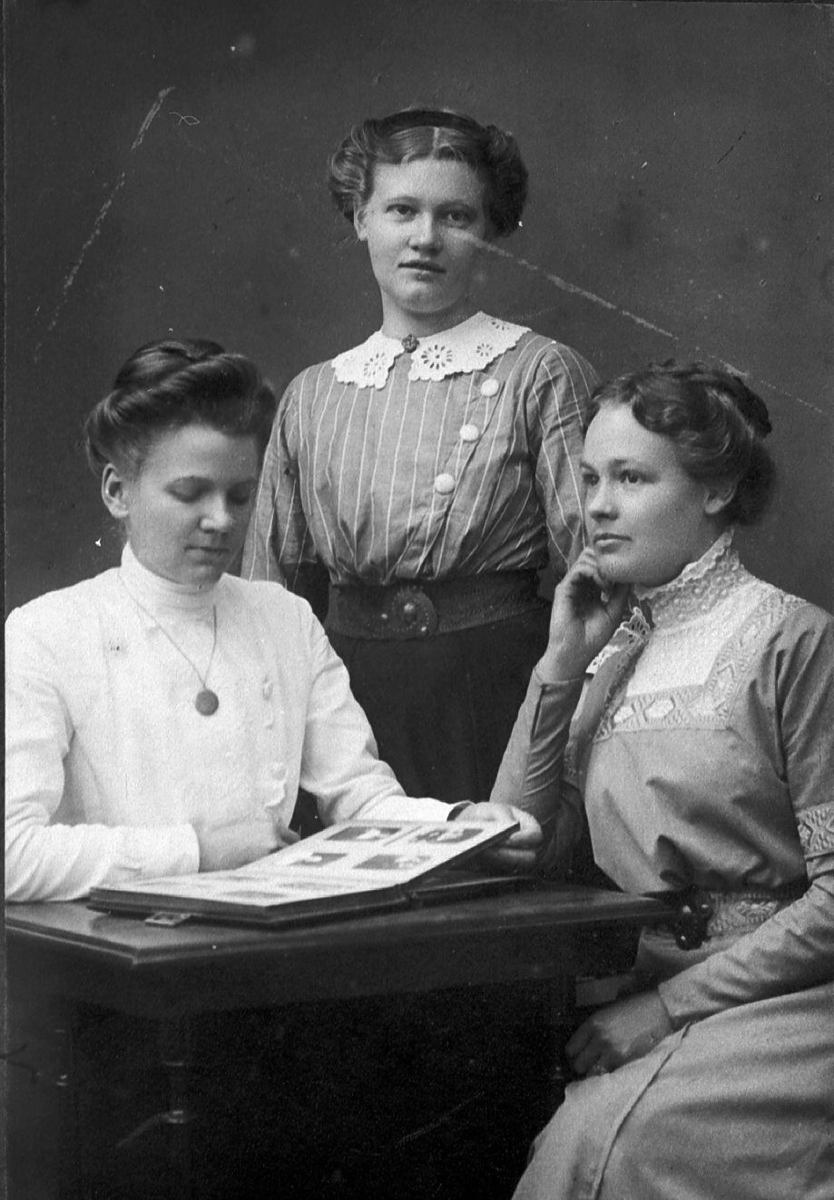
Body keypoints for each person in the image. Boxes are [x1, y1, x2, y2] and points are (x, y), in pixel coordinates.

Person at [4, 337, 541, 904]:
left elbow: (360, 799)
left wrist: (458, 825)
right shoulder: (46, 634)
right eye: (190, 494)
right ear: (118, 491)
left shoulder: (284, 619)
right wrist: (195, 851)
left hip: (264, 936)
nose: (221, 520)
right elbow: (10, 853)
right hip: (110, 944)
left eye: (240, 496)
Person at [490, 361, 834, 1200]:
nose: (598, 507)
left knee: (630, 1141)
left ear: (716, 490)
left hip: (789, 1002)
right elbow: (513, 844)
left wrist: (670, 1007)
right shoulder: (609, 649)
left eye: (631, 479)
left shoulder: (794, 641)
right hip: (639, 987)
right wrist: (560, 664)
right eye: (590, 479)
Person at [242, 107, 598, 804]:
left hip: (494, 694)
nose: (425, 238)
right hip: (344, 711)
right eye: (401, 210)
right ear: (361, 218)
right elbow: (268, 597)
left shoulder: (540, 372)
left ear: (488, 230)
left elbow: (601, 570)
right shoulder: (313, 395)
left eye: (455, 216)